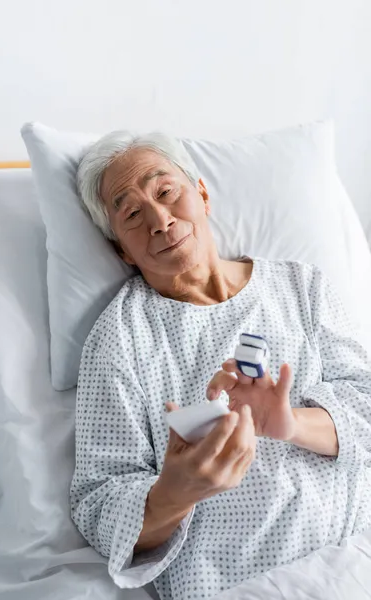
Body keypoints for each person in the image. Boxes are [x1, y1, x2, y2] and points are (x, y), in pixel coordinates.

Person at [70, 131, 371, 600]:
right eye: (131, 213)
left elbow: (366, 407)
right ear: (122, 251)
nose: (160, 219)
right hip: (239, 584)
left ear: (203, 194)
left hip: (353, 554)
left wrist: (292, 423)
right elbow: (97, 501)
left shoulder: (300, 286)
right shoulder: (119, 339)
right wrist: (175, 492)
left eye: (166, 191)